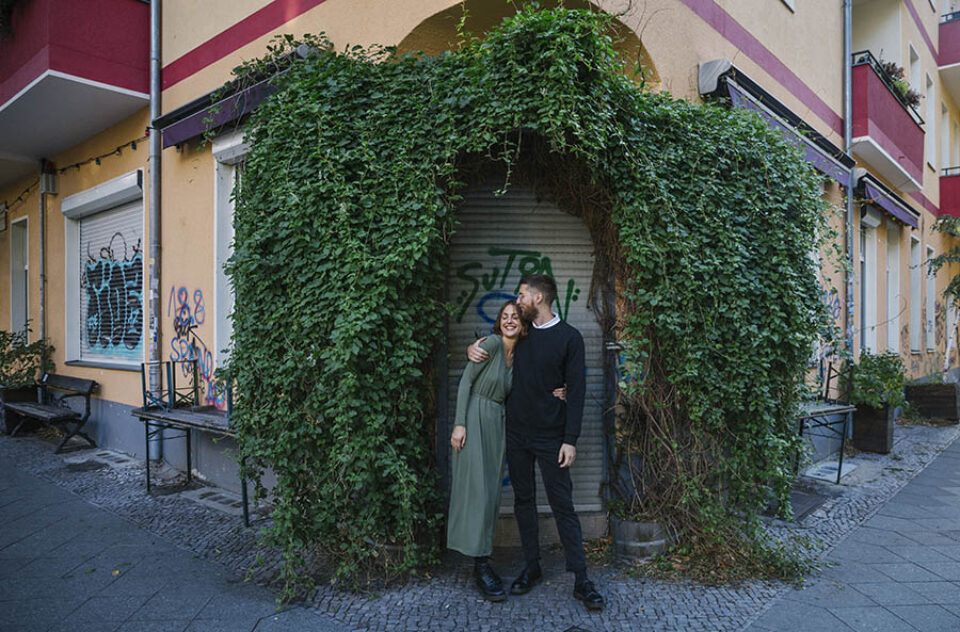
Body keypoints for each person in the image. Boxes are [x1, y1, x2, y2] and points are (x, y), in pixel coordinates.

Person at [467, 274, 604, 611]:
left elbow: (578, 389)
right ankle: (533, 566)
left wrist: (569, 440)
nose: (518, 300)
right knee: (524, 502)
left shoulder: (569, 338)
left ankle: (581, 579)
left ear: (539, 298)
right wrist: (470, 348)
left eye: (523, 295)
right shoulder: (520, 335)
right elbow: (491, 347)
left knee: (563, 506)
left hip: (551, 437)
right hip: (515, 434)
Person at [447, 300, 525, 602]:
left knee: (491, 493)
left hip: (497, 425)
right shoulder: (490, 344)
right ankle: (480, 566)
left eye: (514, 317)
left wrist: (560, 389)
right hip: (474, 420)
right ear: (498, 322)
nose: (509, 321)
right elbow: (466, 382)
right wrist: (459, 424)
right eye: (504, 316)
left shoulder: (520, 355)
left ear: (522, 323)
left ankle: (482, 557)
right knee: (477, 492)